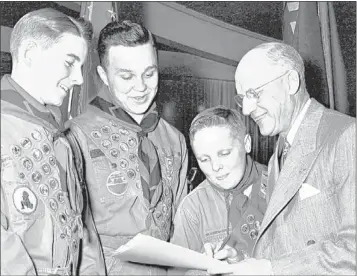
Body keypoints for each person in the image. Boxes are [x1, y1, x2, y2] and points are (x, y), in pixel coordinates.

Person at [206, 42, 356, 275]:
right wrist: (243, 259)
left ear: (291, 82)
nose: (246, 109)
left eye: (254, 94)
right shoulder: (280, 151)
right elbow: (285, 241)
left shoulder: (347, 136)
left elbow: (353, 250)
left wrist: (269, 268)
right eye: (243, 98)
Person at [67, 20, 188, 275]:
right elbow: (73, 238)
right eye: (126, 76)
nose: (141, 87)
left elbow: (181, 227)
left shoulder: (174, 140)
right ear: (103, 76)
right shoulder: (75, 137)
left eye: (149, 73)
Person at [1, 8, 105, 275]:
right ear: (30, 54)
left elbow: (82, 230)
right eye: (69, 63)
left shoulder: (62, 138)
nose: (79, 79)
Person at [170, 106, 268, 275]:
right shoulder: (192, 208)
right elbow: (175, 273)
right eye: (204, 159)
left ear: (247, 144)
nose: (215, 167)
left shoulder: (279, 184)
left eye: (224, 153)